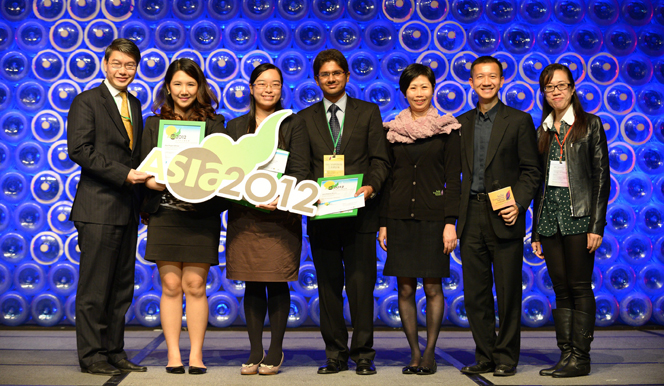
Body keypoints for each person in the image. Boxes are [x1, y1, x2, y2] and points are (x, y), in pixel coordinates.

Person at [298, 49, 390, 376]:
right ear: (317, 79)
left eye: (337, 73)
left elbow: (381, 160)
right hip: (322, 215)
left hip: (361, 214)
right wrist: (312, 190)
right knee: (328, 287)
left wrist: (370, 187)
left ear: (347, 76)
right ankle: (335, 354)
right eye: (325, 74)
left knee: (361, 286)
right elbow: (299, 167)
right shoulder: (304, 118)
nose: (332, 78)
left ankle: (363, 354)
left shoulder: (368, 112)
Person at [67, 38, 149, 376]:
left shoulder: (136, 103)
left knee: (120, 289)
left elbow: (136, 154)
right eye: (117, 64)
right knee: (94, 290)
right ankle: (92, 355)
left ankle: (115, 351)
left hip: (127, 209)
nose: (123, 71)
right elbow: (80, 150)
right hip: (98, 209)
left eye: (130, 65)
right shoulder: (87, 101)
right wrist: (126, 175)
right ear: (105, 64)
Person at [140, 58, 226, 375]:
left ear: (199, 87)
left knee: (196, 284)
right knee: (171, 285)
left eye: (190, 84)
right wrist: (150, 181)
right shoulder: (153, 124)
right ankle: (174, 355)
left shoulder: (215, 126)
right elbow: (143, 167)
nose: (184, 90)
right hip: (164, 213)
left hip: (199, 215)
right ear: (168, 88)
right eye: (177, 84)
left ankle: (197, 355)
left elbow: (222, 171)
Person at [456, 56, 541, 377]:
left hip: (504, 213)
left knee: (507, 291)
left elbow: (532, 171)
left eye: (492, 76)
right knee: (475, 293)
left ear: (502, 81)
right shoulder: (460, 123)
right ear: (471, 82)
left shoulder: (519, 121)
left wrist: (518, 203)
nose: (486, 82)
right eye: (480, 77)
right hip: (471, 216)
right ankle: (485, 354)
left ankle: (506, 356)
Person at [224, 63, 310, 376]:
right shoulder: (234, 126)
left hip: (280, 215)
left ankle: (275, 349)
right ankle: (254, 348)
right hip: (245, 217)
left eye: (275, 84)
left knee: (275, 282)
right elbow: (226, 172)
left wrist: (281, 196)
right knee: (252, 281)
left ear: (281, 88)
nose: (268, 89)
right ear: (251, 88)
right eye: (262, 83)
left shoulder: (293, 124)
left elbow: (301, 168)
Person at [377, 64, 461, 375]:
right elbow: (387, 179)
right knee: (405, 289)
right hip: (399, 218)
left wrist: (450, 222)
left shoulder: (447, 129)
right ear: (404, 92)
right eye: (413, 88)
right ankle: (413, 352)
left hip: (434, 219)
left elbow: (454, 179)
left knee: (433, 288)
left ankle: (430, 352)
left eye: (424, 87)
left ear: (433, 89)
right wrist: (383, 222)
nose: (419, 93)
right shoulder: (392, 131)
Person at [531, 63, 609, 378]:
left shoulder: (590, 125)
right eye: (550, 87)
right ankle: (566, 355)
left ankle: (582, 357)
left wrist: (596, 226)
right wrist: (535, 230)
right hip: (550, 217)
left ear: (573, 89)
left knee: (579, 287)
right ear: (544, 93)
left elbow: (601, 179)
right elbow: (538, 183)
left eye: (562, 86)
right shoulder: (543, 130)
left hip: (579, 217)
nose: (557, 92)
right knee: (560, 289)